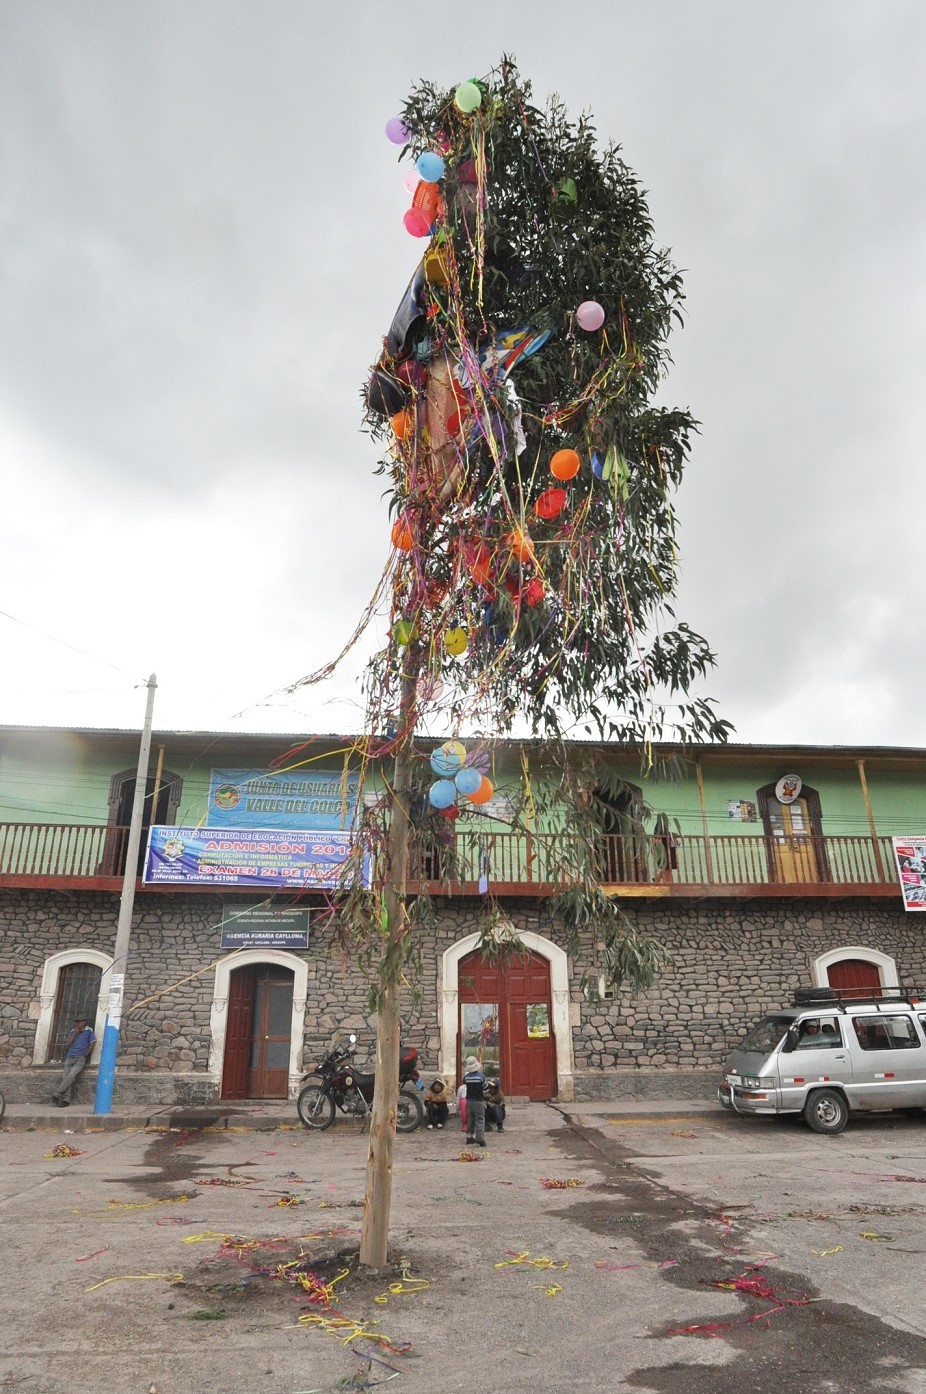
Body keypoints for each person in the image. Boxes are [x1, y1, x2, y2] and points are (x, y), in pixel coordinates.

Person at [51, 1014, 96, 1106]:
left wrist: (85, 1055)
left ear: (84, 1022)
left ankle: (57, 1094)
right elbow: (68, 1043)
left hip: (80, 1058)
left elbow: (92, 1043)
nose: (78, 1023)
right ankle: (65, 1100)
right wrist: (75, 1033)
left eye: (80, 1021)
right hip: (70, 1056)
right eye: (76, 1022)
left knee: (71, 1076)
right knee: (66, 1077)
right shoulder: (73, 1031)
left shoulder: (89, 1031)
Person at [463, 1055, 487, 1147]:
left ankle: (469, 1137)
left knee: (471, 1119)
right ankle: (480, 1138)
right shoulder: (481, 1076)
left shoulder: (466, 1077)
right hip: (479, 1101)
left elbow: (464, 1083)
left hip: (469, 1101)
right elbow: (485, 1087)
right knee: (480, 1119)